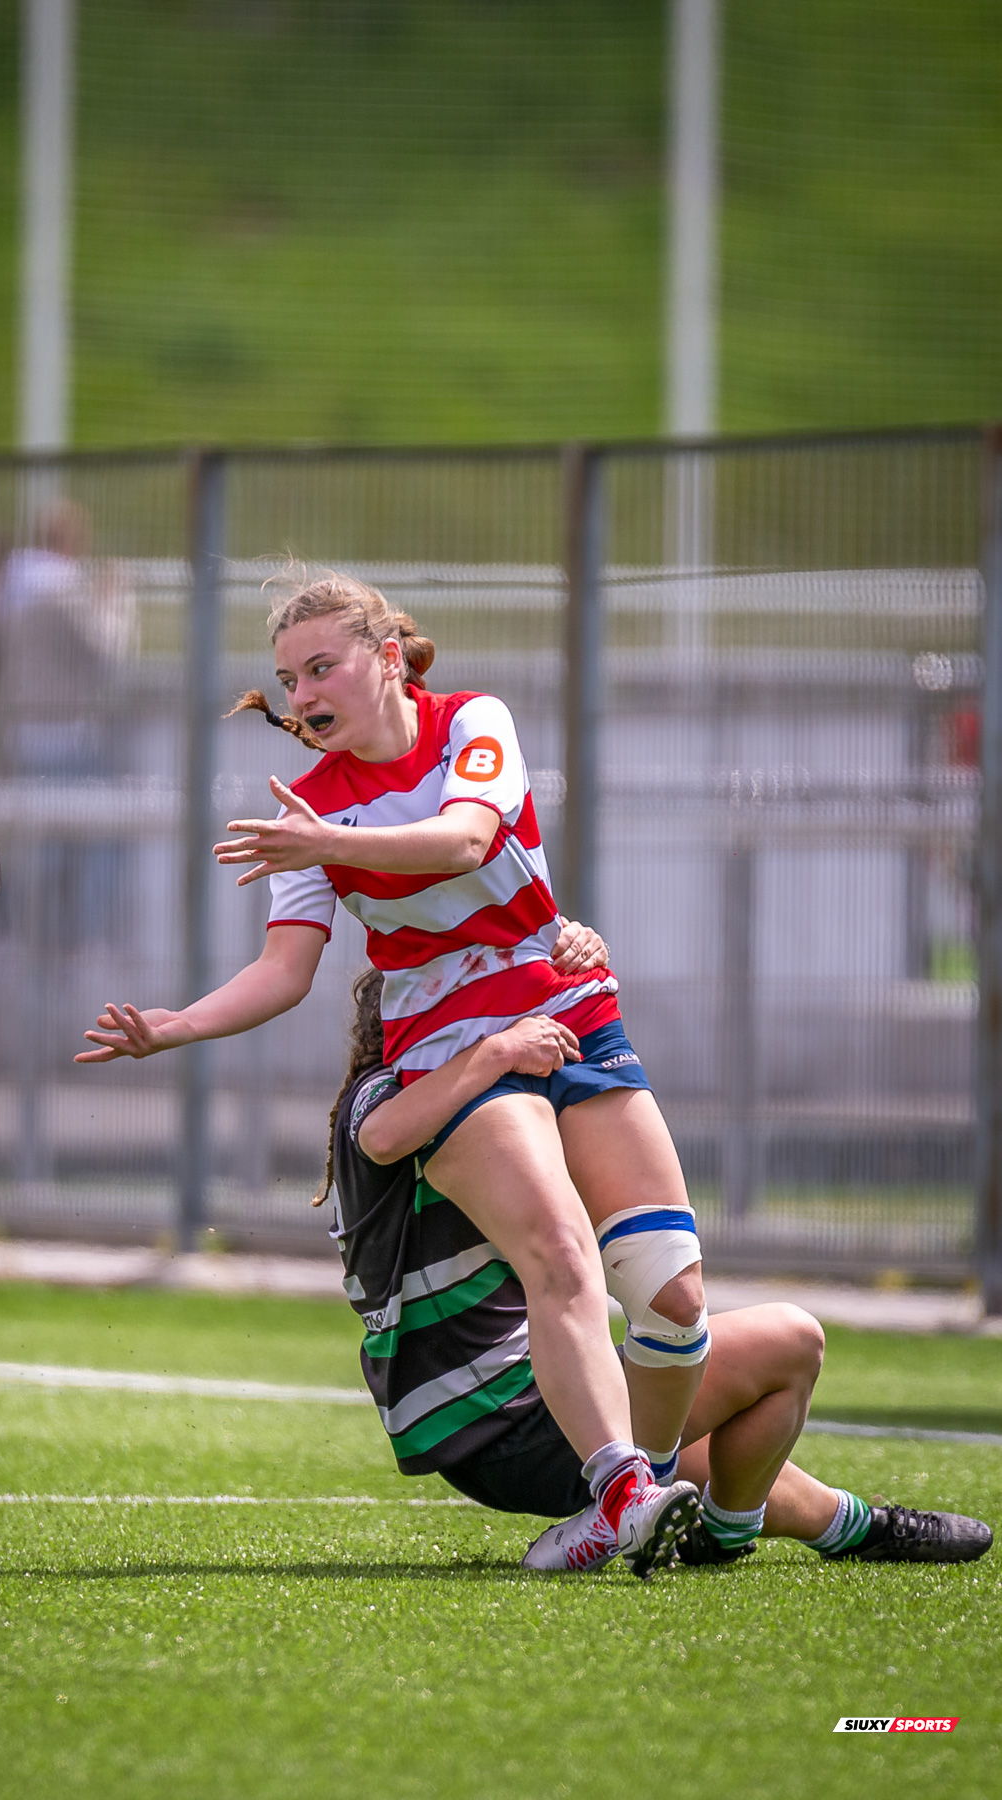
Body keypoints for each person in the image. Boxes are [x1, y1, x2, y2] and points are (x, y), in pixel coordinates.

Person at [78, 571, 711, 1577]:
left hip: (569, 1012)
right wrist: (173, 1026)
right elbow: (283, 974)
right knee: (557, 1254)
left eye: (320, 667)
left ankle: (660, 1483)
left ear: (383, 660)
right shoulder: (308, 814)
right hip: (449, 1052)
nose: (301, 696)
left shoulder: (471, 724)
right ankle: (620, 1492)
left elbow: (464, 835)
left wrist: (323, 840)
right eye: (287, 679)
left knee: (672, 1299)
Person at [320, 958, 993, 1574]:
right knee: (792, 1341)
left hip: (484, 1432)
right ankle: (705, 1533)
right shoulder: (391, 1097)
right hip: (517, 1419)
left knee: (710, 1456)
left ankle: (855, 1526)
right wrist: (500, 1048)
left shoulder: (444, 1104)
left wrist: (570, 955)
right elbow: (385, 1134)